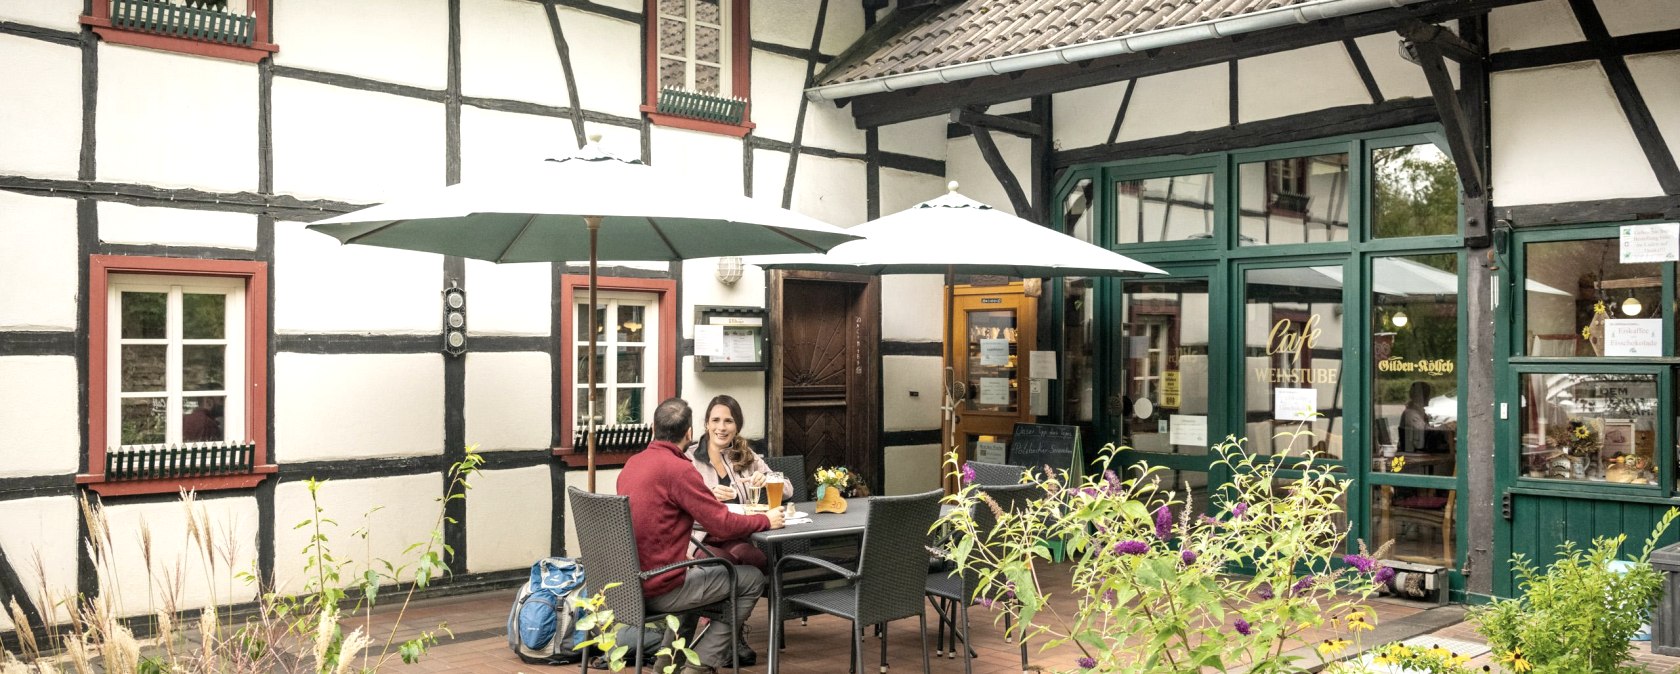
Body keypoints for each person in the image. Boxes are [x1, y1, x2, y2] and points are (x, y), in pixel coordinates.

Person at [618, 398, 784, 674]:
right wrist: (765, 520)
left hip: (628, 585)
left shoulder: (633, 464)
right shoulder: (680, 468)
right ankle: (700, 667)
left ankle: (665, 666)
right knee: (752, 579)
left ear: (652, 428)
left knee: (700, 579)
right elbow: (720, 524)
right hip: (661, 586)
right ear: (689, 433)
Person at [686, 394, 795, 572]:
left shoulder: (746, 455)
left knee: (757, 560)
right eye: (715, 420)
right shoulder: (689, 458)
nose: (721, 427)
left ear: (737, 427)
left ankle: (748, 598)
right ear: (707, 424)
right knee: (724, 563)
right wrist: (708, 495)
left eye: (728, 421)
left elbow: (788, 489)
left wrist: (766, 480)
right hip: (700, 537)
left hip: (735, 536)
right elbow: (678, 504)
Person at [1399, 381, 1431, 453]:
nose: (1429, 398)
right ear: (1422, 397)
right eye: (1428, 395)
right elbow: (1426, 431)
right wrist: (1445, 427)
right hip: (1414, 451)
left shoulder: (1417, 411)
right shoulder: (1411, 414)